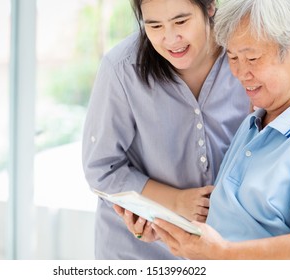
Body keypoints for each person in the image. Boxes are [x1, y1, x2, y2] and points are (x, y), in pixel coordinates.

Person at [144, 0, 290, 259]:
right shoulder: (254, 122)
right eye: (232, 58)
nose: (240, 73)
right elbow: (229, 221)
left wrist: (224, 255)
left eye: (252, 58)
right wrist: (166, 228)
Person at [82, 0, 250, 259]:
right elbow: (102, 169)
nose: (171, 38)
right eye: (155, 25)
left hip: (224, 249)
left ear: (210, 7)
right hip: (137, 253)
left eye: (181, 21)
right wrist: (175, 201)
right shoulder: (121, 69)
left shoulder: (244, 53)